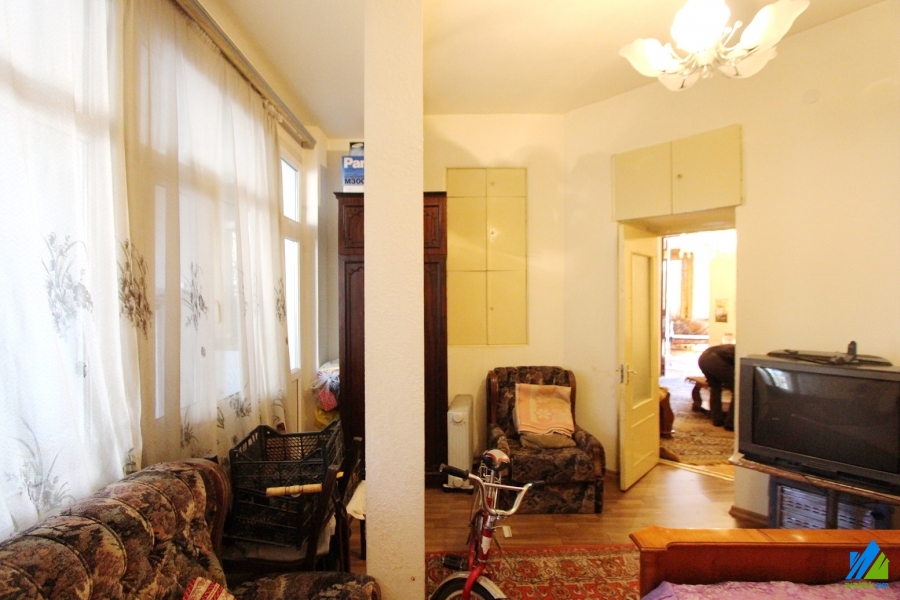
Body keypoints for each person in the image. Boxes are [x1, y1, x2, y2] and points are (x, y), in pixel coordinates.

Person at [697, 344, 736, 430]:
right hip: (717, 360)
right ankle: (730, 423)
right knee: (737, 391)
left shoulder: (734, 347)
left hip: (703, 358)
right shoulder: (742, 351)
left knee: (715, 388)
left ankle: (717, 419)